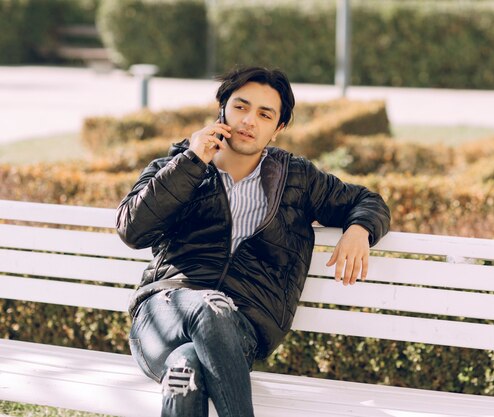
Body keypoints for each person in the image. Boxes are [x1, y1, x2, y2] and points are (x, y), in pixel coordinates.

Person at [116, 66, 391, 417]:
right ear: (222, 110)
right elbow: (132, 230)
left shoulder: (297, 178)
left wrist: (359, 229)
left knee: (185, 367)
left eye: (265, 114)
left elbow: (368, 201)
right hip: (161, 316)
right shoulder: (178, 165)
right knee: (206, 307)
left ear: (278, 129)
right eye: (241, 107)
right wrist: (190, 162)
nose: (249, 121)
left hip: (240, 330)